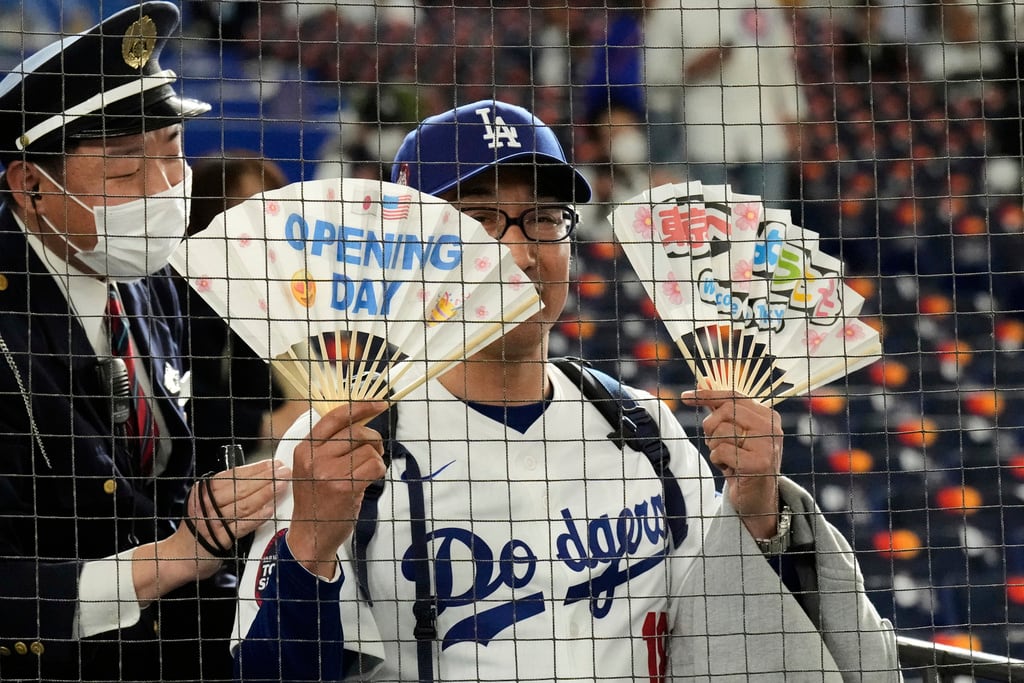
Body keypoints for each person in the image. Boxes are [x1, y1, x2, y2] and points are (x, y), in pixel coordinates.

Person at [231, 100, 902, 681]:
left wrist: (756, 510)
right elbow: (266, 673)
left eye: (544, 217)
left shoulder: (645, 427)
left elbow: (724, 638)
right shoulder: (341, 443)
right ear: (411, 247)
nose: (520, 252)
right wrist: (309, 549)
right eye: (478, 219)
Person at [0, 4, 292, 680]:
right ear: (30, 184)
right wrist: (177, 556)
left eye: (172, 149)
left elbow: (167, 473)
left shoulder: (150, 279)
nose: (162, 190)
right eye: (125, 170)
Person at [185, 152, 308, 469]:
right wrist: (264, 425)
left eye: (273, 204)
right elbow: (179, 397)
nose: (267, 219)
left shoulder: (278, 290)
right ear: (208, 216)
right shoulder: (192, 300)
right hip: (229, 476)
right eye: (249, 206)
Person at [645, 0, 803, 206]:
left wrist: (795, 115)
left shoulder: (763, 3)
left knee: (768, 220)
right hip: (707, 139)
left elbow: (781, 62)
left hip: (765, 133)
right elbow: (652, 78)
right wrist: (690, 69)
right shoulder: (670, 8)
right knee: (715, 222)